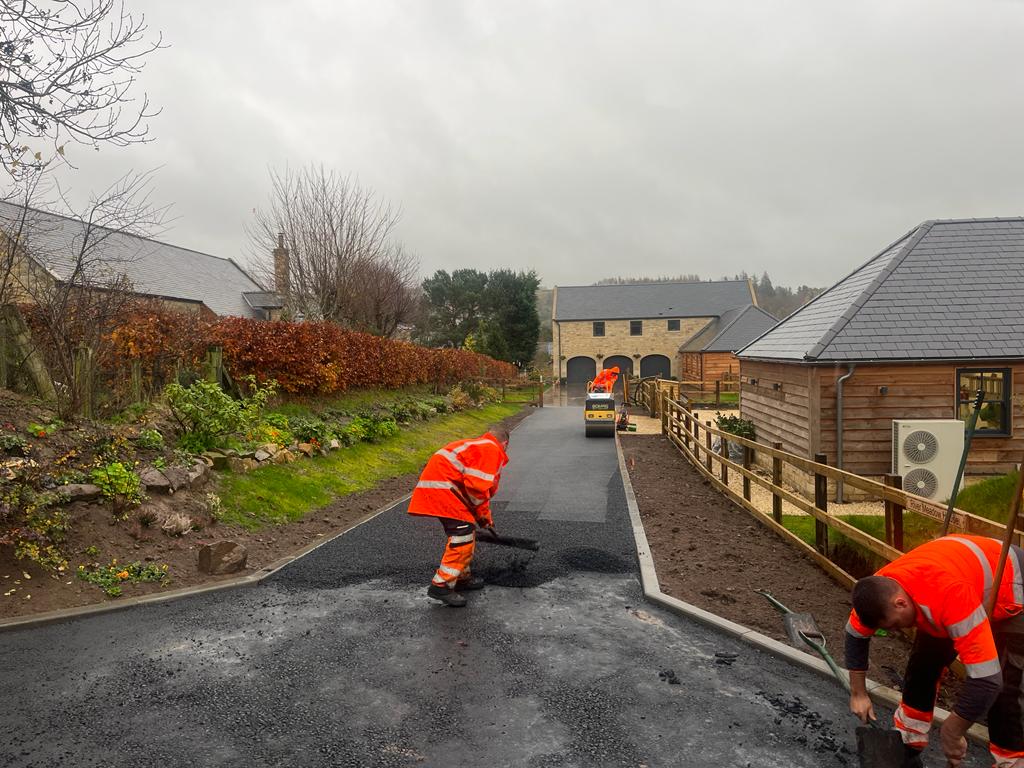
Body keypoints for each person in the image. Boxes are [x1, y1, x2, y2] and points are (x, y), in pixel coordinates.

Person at [845, 535, 1024, 767]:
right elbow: (855, 635)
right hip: (959, 576)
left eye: (895, 625)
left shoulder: (950, 596)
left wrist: (953, 731)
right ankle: (908, 738)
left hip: (1013, 589)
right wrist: (858, 693)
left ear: (901, 603)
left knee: (1007, 687)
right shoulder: (876, 592)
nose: (894, 631)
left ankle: (1012, 762)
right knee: (924, 662)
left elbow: (987, 680)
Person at [407, 426, 510, 607]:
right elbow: (477, 491)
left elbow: (473, 487)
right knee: (462, 536)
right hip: (445, 491)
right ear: (505, 443)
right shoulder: (491, 449)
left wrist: (481, 516)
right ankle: (441, 586)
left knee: (467, 533)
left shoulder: (479, 446)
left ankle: (461, 577)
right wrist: (483, 516)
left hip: (446, 490)